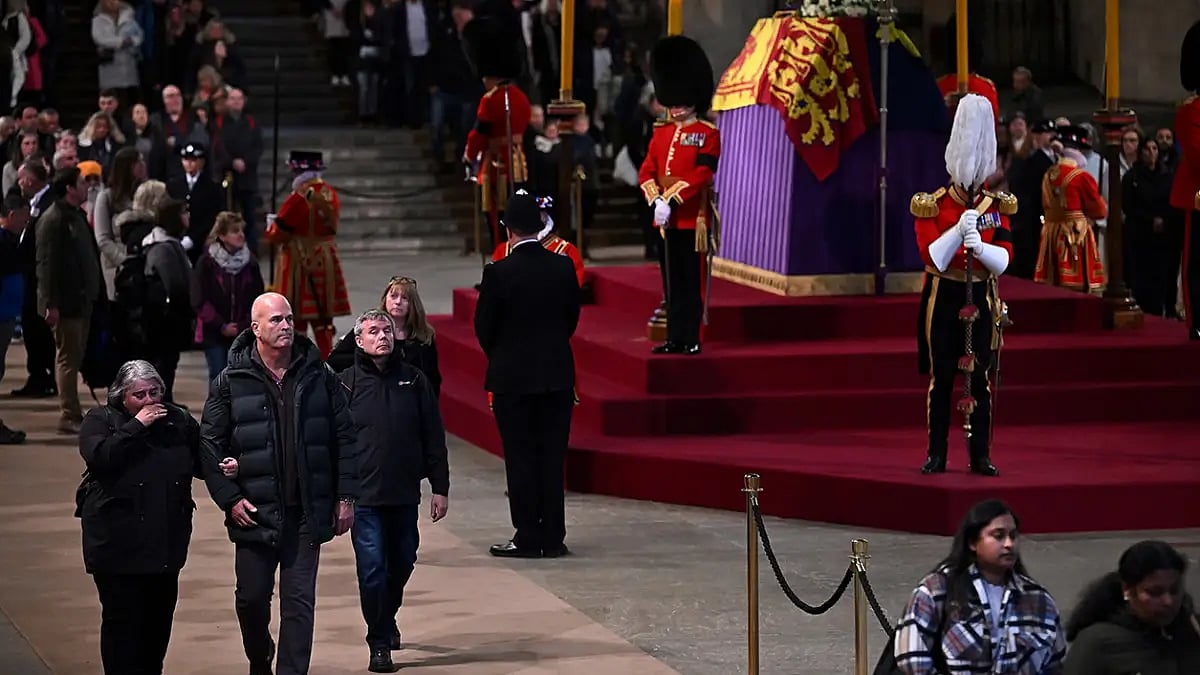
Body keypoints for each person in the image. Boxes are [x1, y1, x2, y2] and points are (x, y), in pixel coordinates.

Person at [200, 292, 358, 675]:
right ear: (255, 329)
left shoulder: (319, 375)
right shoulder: (231, 380)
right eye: (276, 320)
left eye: (288, 318)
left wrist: (346, 497)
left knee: (298, 603)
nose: (286, 325)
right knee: (251, 601)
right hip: (253, 512)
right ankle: (259, 657)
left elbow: (346, 438)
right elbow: (208, 443)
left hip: (306, 511)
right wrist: (230, 499)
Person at [339, 309, 450, 673]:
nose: (382, 336)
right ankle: (379, 640)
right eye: (373, 331)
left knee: (402, 563)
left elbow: (433, 435)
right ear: (359, 341)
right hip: (364, 498)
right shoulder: (344, 384)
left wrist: (440, 487)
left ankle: (386, 617)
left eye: (386, 330)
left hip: (404, 494)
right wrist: (339, 495)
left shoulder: (414, 381)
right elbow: (333, 443)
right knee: (372, 570)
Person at [77, 360, 204, 675]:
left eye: (155, 392)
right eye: (140, 395)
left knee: (157, 629)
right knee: (123, 628)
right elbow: (101, 458)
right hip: (117, 550)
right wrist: (137, 426)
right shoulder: (100, 420)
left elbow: (203, 462)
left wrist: (227, 466)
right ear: (122, 397)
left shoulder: (179, 422)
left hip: (165, 548)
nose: (150, 402)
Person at [474, 193, 580, 558]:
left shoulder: (498, 272)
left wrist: (505, 356)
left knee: (520, 458)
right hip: (557, 377)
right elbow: (571, 320)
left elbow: (484, 327)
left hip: (513, 380)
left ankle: (527, 535)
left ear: (508, 229)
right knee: (552, 458)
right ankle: (553, 536)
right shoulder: (563, 267)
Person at [911, 94, 1013, 477]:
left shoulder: (994, 206)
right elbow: (932, 256)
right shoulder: (932, 204)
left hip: (981, 295)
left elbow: (1004, 260)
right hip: (945, 294)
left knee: (981, 379)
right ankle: (936, 453)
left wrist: (981, 245)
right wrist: (958, 231)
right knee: (942, 381)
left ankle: (979, 455)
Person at [892, 499, 1066, 674]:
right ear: (972, 543)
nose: (1009, 544)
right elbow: (911, 658)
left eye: (1013, 536)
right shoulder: (936, 590)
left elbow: (1055, 663)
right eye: (998, 536)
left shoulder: (1040, 600)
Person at [637, 35, 720, 355]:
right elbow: (647, 171)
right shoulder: (661, 134)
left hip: (690, 220)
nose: (675, 107)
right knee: (671, 283)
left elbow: (703, 174)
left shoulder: (707, 134)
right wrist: (655, 199)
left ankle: (691, 337)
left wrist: (671, 198)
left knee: (690, 283)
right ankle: (675, 336)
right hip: (664, 219)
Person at [1063, 540, 1200, 674]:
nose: (1168, 601)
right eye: (1154, 592)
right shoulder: (1097, 642)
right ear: (1127, 590)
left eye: (1174, 590)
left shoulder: (1193, 630)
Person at [265, 151, 352, 359]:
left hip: (300, 261)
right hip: (326, 258)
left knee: (298, 315)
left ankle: (298, 359)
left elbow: (278, 234)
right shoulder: (330, 194)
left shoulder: (299, 197)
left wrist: (271, 227)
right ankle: (326, 356)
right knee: (324, 317)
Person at [36, 166, 103, 434]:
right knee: (67, 359)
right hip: (65, 304)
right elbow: (46, 265)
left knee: (74, 357)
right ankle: (69, 414)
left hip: (81, 301)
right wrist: (49, 303)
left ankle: (73, 409)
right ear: (69, 188)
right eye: (81, 182)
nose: (86, 186)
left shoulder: (74, 215)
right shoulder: (53, 220)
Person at [462, 15, 531, 251]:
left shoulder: (489, 100)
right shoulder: (521, 97)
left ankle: (501, 261)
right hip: (519, 163)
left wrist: (469, 155)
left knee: (495, 218)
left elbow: (479, 134)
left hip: (496, 166)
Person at [326, 276, 441, 397]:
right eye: (393, 296)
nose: (398, 302)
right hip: (369, 395)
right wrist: (369, 359)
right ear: (385, 299)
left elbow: (432, 380)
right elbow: (335, 361)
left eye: (404, 298)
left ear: (413, 304)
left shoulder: (423, 337)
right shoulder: (367, 328)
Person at [192, 211, 266, 381]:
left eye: (241, 231)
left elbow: (257, 298)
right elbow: (199, 299)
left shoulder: (250, 263)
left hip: (242, 332)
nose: (241, 235)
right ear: (222, 236)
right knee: (218, 377)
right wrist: (222, 325)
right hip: (214, 332)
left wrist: (242, 325)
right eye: (235, 231)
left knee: (240, 380)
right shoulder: (206, 263)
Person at [1034, 126, 1108, 294]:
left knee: (1053, 284)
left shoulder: (1047, 175)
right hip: (1073, 235)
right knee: (1076, 287)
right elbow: (1099, 210)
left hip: (1051, 232)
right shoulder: (1081, 177)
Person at [1171, 20, 1200, 340]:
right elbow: (1196, 154)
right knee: (1196, 266)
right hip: (1197, 198)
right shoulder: (1191, 111)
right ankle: (1198, 321)